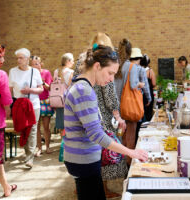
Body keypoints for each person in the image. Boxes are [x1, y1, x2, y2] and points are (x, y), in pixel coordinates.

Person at [64, 45, 148, 200]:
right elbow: (96, 134)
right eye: (110, 73)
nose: (111, 79)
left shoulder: (81, 86)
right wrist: (131, 152)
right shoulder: (84, 90)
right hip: (84, 159)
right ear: (97, 66)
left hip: (81, 157)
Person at [9, 48, 43, 168]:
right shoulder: (12, 71)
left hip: (33, 105)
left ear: (28, 59)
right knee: (23, 129)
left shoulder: (35, 71)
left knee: (33, 129)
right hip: (19, 105)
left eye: (21, 57)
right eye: (17, 58)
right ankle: (27, 152)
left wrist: (31, 90)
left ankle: (30, 158)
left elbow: (41, 89)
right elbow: (9, 90)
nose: (18, 60)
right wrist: (8, 106)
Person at [114, 39, 145, 165]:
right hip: (129, 107)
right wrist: (141, 84)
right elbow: (133, 85)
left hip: (117, 107)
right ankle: (128, 166)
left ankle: (119, 162)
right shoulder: (131, 67)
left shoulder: (116, 65)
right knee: (130, 137)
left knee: (120, 136)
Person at [0, 43, 17, 197]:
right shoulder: (0, 75)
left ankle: (7, 186)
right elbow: (7, 99)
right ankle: (6, 188)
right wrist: (8, 110)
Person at [30, 56, 54, 156]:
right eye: (34, 64)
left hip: (45, 102)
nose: (36, 65)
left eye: (37, 63)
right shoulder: (30, 74)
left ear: (41, 63)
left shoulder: (46, 72)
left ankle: (47, 147)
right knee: (36, 127)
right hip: (35, 102)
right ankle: (39, 148)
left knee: (46, 127)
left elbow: (50, 88)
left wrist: (42, 82)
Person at [54, 53, 74, 135]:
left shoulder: (56, 71)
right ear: (68, 61)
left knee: (61, 125)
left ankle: (62, 145)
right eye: (72, 60)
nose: (73, 62)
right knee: (70, 123)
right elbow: (72, 87)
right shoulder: (71, 72)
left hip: (58, 99)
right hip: (68, 100)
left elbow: (54, 85)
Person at [140, 54, 156, 121]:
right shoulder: (150, 71)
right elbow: (154, 83)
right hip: (149, 93)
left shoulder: (139, 70)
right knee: (149, 112)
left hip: (140, 94)